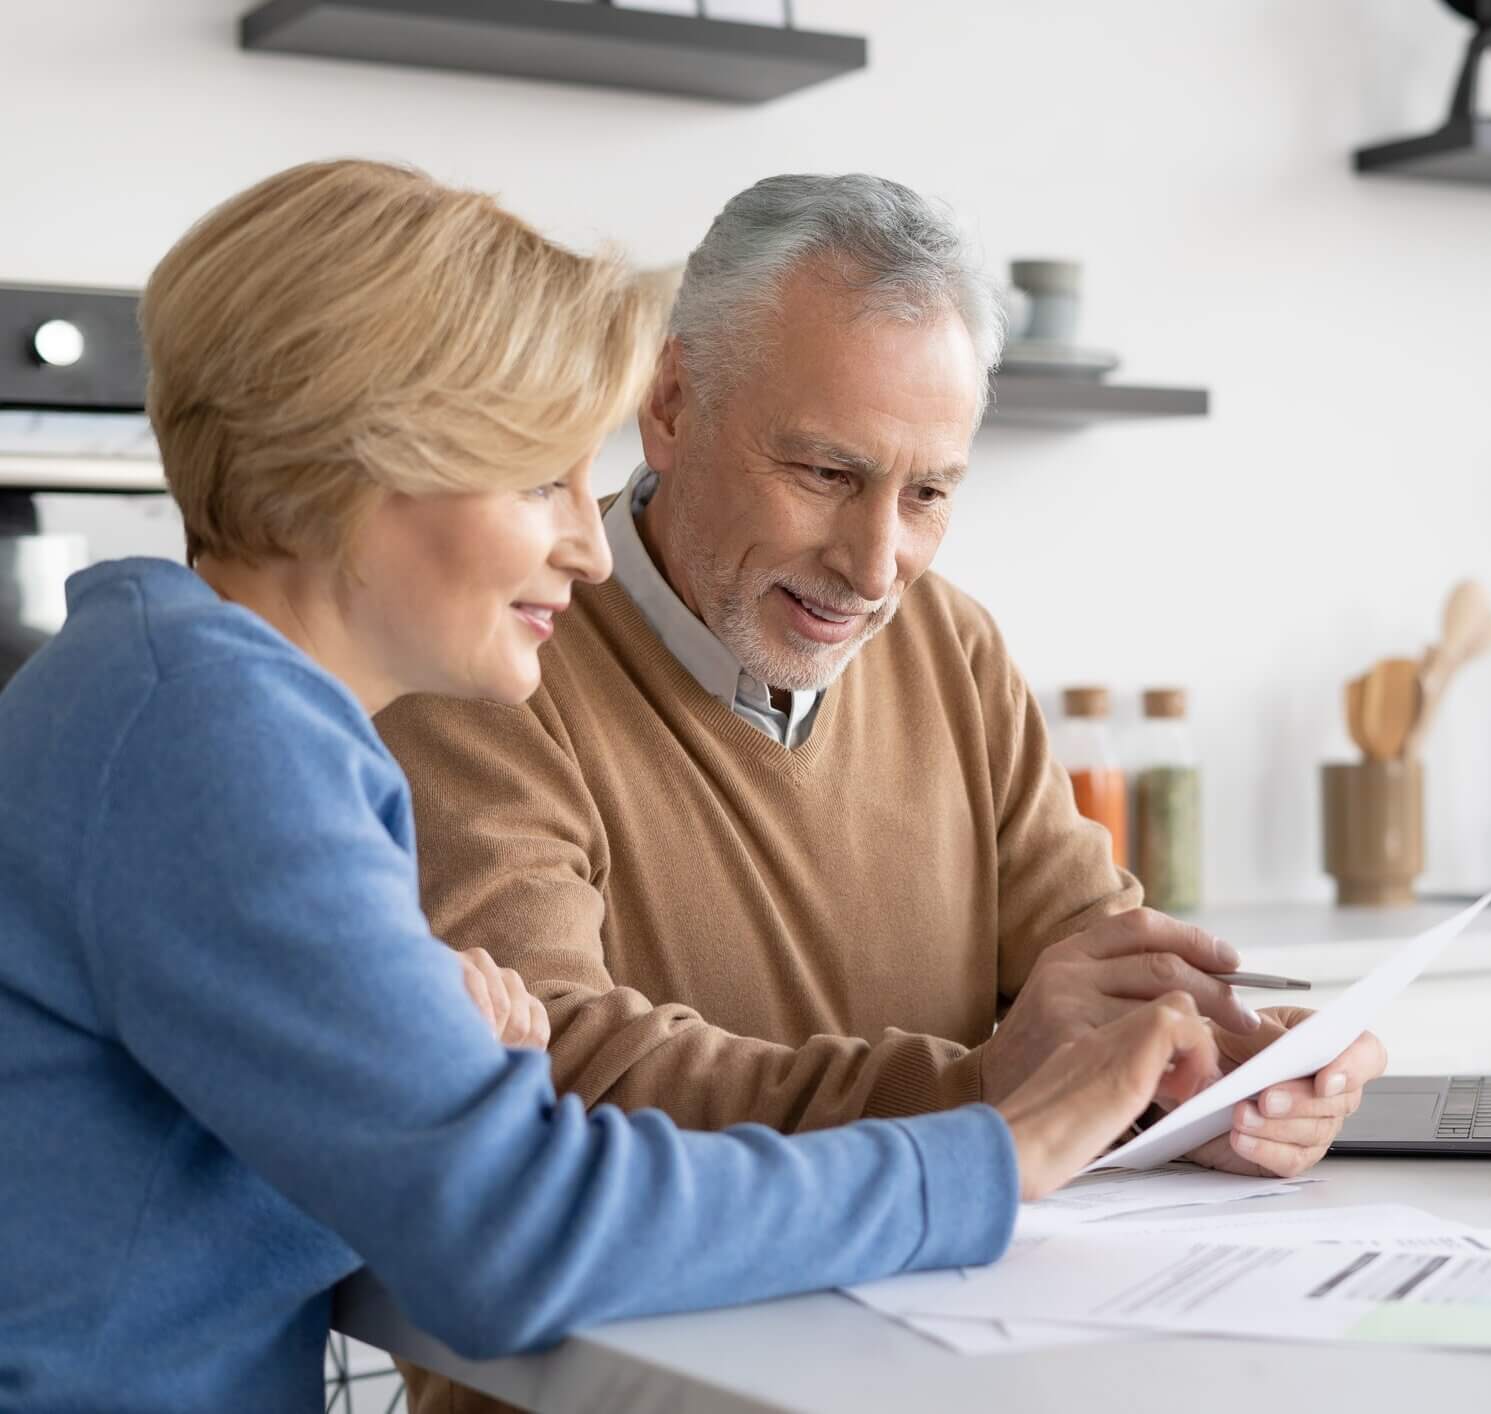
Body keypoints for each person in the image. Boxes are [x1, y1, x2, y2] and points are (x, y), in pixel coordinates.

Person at [0, 159, 1225, 1412]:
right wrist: (991, 1156)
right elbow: (515, 1228)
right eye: (540, 479)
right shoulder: (213, 737)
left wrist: (447, 1071)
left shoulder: (174, 695)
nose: (589, 545)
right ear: (359, 469)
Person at [378, 169, 1389, 1414]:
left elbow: (1096, 961)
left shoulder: (951, 646)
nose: (874, 564)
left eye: (929, 494)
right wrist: (986, 1101)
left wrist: (1213, 1081)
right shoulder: (487, 659)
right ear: (673, 405)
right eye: (823, 472)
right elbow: (559, 1070)